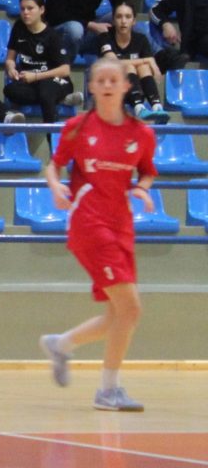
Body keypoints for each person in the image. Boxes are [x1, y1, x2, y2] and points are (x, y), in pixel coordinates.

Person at [39, 58, 157, 413]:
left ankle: (61, 344)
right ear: (90, 86)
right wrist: (55, 186)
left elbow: (147, 171)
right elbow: (54, 165)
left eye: (113, 80)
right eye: (100, 80)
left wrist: (142, 189)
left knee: (118, 315)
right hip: (88, 222)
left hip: (121, 224)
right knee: (131, 307)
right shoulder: (77, 128)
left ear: (125, 86)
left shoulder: (141, 134)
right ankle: (108, 390)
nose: (106, 85)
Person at [3, 0, 83, 125]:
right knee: (10, 90)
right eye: (22, 9)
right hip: (30, 82)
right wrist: (11, 68)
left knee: (46, 91)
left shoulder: (52, 36)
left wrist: (36, 76)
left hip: (54, 80)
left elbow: (65, 70)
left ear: (41, 10)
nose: (25, 13)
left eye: (30, 8)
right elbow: (10, 58)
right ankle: (62, 99)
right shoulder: (18, 27)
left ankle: (50, 132)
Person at [97, 2, 170, 124]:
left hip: (135, 89)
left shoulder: (141, 39)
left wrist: (147, 63)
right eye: (119, 17)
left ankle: (157, 107)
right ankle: (139, 108)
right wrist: (145, 60)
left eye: (128, 17)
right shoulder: (105, 37)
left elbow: (150, 65)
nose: (123, 21)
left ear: (134, 21)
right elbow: (113, 63)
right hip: (111, 89)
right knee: (129, 66)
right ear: (113, 20)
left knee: (143, 68)